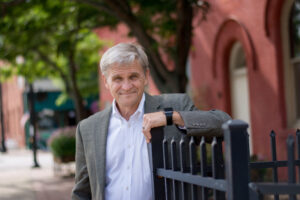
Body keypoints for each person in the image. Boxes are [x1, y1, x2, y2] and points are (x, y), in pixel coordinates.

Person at [71, 43, 231, 200]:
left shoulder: (176, 105)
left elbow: (225, 124)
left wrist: (171, 117)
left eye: (133, 76)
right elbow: (82, 192)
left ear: (146, 76)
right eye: (118, 79)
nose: (126, 86)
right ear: (106, 81)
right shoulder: (87, 129)